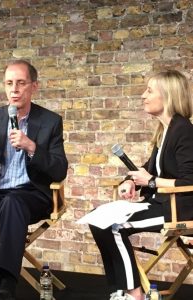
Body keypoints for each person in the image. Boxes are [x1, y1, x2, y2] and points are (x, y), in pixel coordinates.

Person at [0, 60, 68, 300]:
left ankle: (6, 285)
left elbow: (59, 169)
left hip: (31, 193)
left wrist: (31, 146)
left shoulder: (50, 121)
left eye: (21, 83)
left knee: (12, 203)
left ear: (34, 86)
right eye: (9, 83)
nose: (14, 89)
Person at [89, 69, 193, 300]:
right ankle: (120, 289)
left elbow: (190, 180)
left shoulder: (183, 130)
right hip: (160, 203)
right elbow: (148, 169)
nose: (143, 96)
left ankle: (134, 294)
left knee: (114, 226)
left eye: (149, 90)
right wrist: (130, 181)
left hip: (178, 210)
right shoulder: (165, 130)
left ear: (167, 96)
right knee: (98, 218)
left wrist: (152, 182)